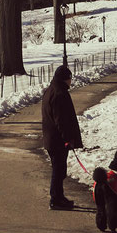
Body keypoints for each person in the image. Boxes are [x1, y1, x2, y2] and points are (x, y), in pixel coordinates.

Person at [40, 64, 83, 210]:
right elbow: (61, 120)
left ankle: (59, 197)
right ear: (65, 79)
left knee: (59, 169)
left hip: (51, 138)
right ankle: (55, 199)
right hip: (57, 140)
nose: (71, 82)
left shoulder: (50, 91)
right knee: (58, 170)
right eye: (70, 79)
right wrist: (67, 139)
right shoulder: (60, 94)